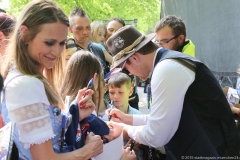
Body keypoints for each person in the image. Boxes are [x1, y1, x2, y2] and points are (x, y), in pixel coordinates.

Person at [106, 25, 240, 158]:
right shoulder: (169, 63)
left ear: (135, 58)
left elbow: (156, 136)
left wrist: (126, 129)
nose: (129, 73)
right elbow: (163, 118)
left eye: (125, 69)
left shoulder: (165, 69)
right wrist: (127, 119)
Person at [0, 0, 103, 159]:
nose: (56, 51)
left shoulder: (30, 77)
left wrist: (75, 113)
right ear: (25, 34)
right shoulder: (26, 84)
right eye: (49, 42)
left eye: (62, 43)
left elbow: (50, 135)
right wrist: (88, 150)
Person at [106, 17, 140, 110]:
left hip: (130, 102)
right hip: (108, 105)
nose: (113, 34)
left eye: (118, 30)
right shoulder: (100, 52)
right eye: (110, 30)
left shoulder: (131, 52)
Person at [69, 7, 108, 75]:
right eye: (79, 28)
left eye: (88, 27)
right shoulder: (67, 52)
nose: (85, 32)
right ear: (70, 29)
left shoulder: (98, 50)